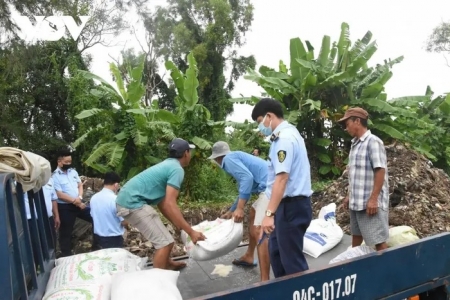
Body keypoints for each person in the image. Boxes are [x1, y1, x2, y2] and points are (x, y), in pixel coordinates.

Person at [116, 138, 206, 270]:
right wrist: (191, 231)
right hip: (133, 203)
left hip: (126, 200)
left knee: (166, 239)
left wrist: (178, 225)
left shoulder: (167, 164)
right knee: (165, 244)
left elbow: (163, 204)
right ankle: (159, 282)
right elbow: (170, 203)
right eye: (190, 152)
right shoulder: (177, 169)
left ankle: (167, 264)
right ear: (186, 153)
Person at [251, 98, 313, 278]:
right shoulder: (288, 135)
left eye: (259, 121)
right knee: (277, 255)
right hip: (285, 207)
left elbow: (281, 179)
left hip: (291, 207)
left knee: (292, 264)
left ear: (269, 116)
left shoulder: (284, 139)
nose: (260, 127)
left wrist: (269, 215)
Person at [208, 141, 271, 281]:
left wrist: (240, 208)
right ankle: (249, 256)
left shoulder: (228, 160)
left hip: (270, 188)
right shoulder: (235, 157)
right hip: (267, 187)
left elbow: (247, 179)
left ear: (218, 158)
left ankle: (265, 280)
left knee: (258, 230)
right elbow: (245, 186)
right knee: (253, 215)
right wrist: (232, 210)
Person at [337, 107, 389, 251]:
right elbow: (356, 173)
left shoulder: (373, 142)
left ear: (357, 121)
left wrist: (373, 199)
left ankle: (388, 270)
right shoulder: (355, 144)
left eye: (347, 124)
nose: (346, 128)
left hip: (369, 203)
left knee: (378, 240)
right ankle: (353, 263)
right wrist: (349, 196)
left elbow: (380, 170)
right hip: (357, 201)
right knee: (356, 235)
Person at [52, 150, 93, 257]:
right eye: (66, 162)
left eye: (70, 161)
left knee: (95, 217)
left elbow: (80, 185)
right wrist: (76, 202)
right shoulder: (55, 176)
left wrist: (79, 197)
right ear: (59, 162)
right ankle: (66, 256)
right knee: (66, 232)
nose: (69, 164)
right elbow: (59, 194)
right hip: (65, 207)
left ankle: (97, 244)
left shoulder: (73, 172)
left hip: (79, 203)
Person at [90, 171, 128, 249]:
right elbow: (124, 222)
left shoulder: (94, 198)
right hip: (113, 238)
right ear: (116, 185)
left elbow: (93, 215)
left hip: (97, 238)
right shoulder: (116, 200)